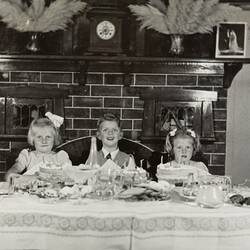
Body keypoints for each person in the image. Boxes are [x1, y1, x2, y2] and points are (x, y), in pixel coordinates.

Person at [5, 113, 71, 182]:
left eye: (48, 137)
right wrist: (12, 173)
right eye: (39, 137)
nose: (44, 141)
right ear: (33, 139)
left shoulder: (60, 156)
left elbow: (70, 174)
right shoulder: (28, 155)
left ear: (54, 139)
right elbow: (17, 167)